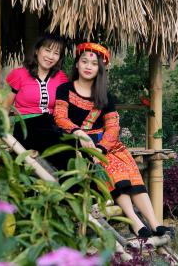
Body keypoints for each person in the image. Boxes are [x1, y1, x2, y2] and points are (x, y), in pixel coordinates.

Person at [53, 42, 169, 238]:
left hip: (104, 145)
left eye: (94, 63)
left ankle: (155, 223)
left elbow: (113, 127)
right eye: (84, 61)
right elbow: (60, 118)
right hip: (76, 143)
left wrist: (102, 148)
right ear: (77, 65)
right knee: (112, 170)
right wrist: (80, 133)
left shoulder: (105, 96)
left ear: (100, 68)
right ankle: (135, 221)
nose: (88, 66)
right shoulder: (65, 89)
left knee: (126, 167)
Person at [4, 34, 69, 170]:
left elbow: (65, 106)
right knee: (63, 151)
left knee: (71, 146)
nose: (51, 56)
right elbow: (5, 107)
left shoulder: (61, 77)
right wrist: (2, 135)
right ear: (37, 50)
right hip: (27, 127)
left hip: (51, 126)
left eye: (56, 53)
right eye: (47, 50)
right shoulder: (19, 74)